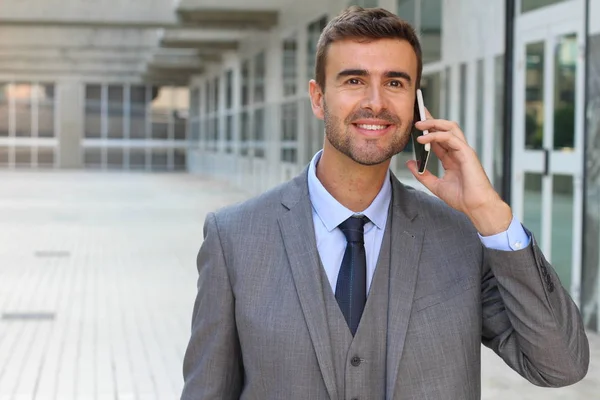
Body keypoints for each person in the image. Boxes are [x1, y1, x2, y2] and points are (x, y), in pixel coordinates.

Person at [181, 6, 589, 400]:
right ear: (318, 98)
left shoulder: (462, 238)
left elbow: (560, 365)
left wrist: (491, 215)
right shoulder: (234, 238)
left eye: (395, 83)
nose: (375, 102)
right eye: (354, 80)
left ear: (416, 105)